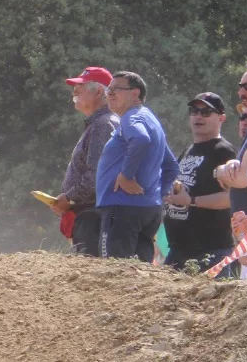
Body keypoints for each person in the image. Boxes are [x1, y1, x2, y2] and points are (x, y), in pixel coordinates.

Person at [94, 71, 179, 261]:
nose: (110, 93)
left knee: (112, 271)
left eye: (117, 89)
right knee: (140, 276)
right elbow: (172, 166)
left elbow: (140, 138)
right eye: (109, 89)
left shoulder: (131, 117)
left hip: (121, 207)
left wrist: (126, 175)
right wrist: (159, 194)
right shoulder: (151, 119)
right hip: (149, 209)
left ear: (135, 93)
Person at [163, 92, 236, 272]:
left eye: (206, 112)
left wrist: (191, 201)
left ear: (221, 118)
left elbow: (232, 198)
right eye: (194, 111)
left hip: (210, 252)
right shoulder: (188, 149)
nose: (198, 116)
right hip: (178, 251)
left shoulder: (222, 151)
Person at [52, 66, 118, 258]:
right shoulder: (102, 123)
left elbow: (96, 175)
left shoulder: (102, 124)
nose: (75, 91)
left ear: (98, 91)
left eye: (80, 87)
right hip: (93, 214)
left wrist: (70, 198)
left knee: (91, 275)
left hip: (93, 217)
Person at [213, 64, 247, 215]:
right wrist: (231, 164)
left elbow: (244, 177)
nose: (241, 92)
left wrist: (218, 171)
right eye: (241, 87)